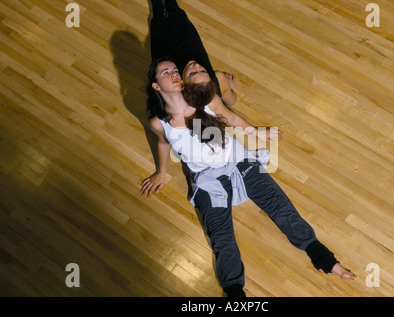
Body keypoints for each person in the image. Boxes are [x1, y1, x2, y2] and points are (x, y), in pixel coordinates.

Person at [141, 56, 356, 297]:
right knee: (221, 236)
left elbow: (230, 117)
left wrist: (256, 132)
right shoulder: (160, 123)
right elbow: (163, 143)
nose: (174, 73)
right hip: (208, 180)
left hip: (239, 161)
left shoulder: (201, 97)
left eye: (175, 70)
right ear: (157, 86)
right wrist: (161, 172)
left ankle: (322, 257)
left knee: (278, 203)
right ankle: (234, 294)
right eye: (165, 72)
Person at [149, 0, 237, 109]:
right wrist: (231, 88)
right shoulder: (218, 80)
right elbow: (232, 101)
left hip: (164, 50)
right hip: (190, 45)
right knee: (176, 13)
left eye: (192, 74)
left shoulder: (170, 90)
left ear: (182, 85)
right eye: (203, 71)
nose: (196, 66)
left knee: (158, 19)